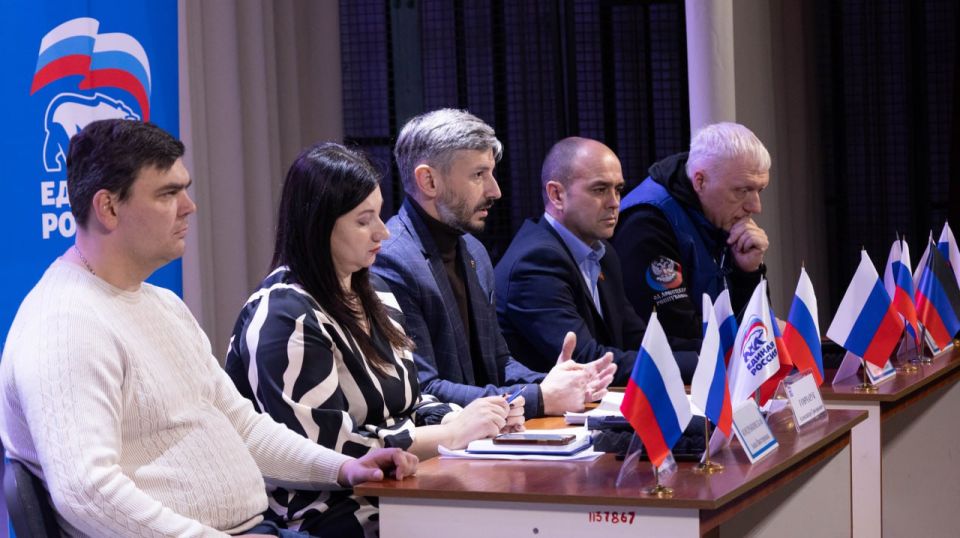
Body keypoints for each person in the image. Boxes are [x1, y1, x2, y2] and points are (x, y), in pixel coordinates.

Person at [0, 120, 415, 538]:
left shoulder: (163, 303)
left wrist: (344, 468)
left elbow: (242, 427)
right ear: (108, 208)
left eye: (185, 189)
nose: (189, 206)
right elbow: (87, 493)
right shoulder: (66, 326)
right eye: (168, 194)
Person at [225, 142, 522, 537]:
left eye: (379, 215)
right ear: (318, 226)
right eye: (364, 221)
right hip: (329, 511)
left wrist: (473, 418)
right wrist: (451, 434)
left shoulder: (376, 292)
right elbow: (325, 450)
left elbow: (412, 400)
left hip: (401, 490)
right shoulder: (284, 315)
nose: (382, 231)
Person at [372, 109, 616, 418]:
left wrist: (558, 382)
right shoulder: (391, 260)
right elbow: (423, 390)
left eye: (491, 173)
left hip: (488, 429)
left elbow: (499, 362)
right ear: (429, 181)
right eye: (478, 175)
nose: (495, 191)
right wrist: (540, 397)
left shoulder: (473, 250)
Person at [495, 138, 700, 384]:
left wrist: (712, 354)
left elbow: (636, 339)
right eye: (600, 190)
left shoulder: (603, 253)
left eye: (618, 189)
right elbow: (586, 361)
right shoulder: (535, 263)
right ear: (557, 194)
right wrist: (700, 364)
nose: (615, 203)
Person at [613, 122, 770, 340]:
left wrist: (749, 273)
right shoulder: (647, 224)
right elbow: (678, 336)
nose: (755, 207)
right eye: (742, 190)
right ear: (700, 181)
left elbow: (758, 329)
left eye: (759, 190)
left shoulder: (720, 215)